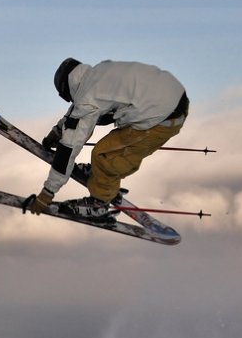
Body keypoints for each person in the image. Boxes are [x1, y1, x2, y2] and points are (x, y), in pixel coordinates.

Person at [25, 58, 189, 221]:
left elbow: (69, 147)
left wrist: (48, 192)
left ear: (66, 89)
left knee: (105, 156)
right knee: (109, 147)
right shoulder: (98, 73)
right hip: (172, 99)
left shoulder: (88, 98)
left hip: (161, 118)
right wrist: (58, 131)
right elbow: (77, 112)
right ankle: (101, 174)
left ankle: (99, 203)